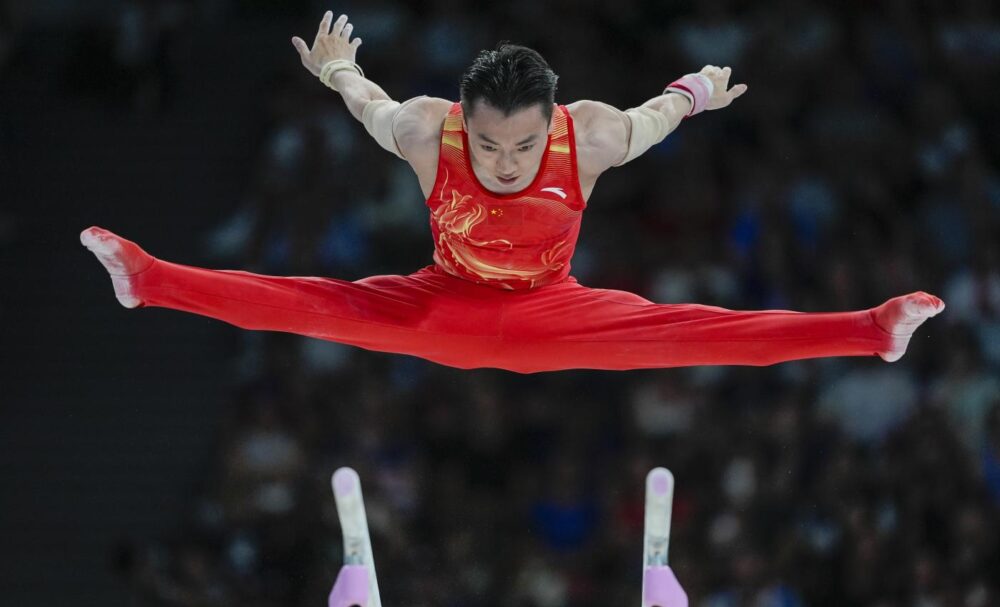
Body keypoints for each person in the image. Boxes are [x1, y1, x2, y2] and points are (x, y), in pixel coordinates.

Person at [81, 11, 944, 373]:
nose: (501, 161)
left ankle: (871, 330)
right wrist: (339, 67)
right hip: (438, 304)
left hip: (551, 311)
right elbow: (369, 102)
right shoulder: (430, 130)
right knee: (306, 303)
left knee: (700, 337)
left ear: (552, 123)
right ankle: (149, 279)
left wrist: (698, 92)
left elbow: (654, 115)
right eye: (489, 143)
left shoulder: (591, 135)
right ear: (465, 120)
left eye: (523, 146)